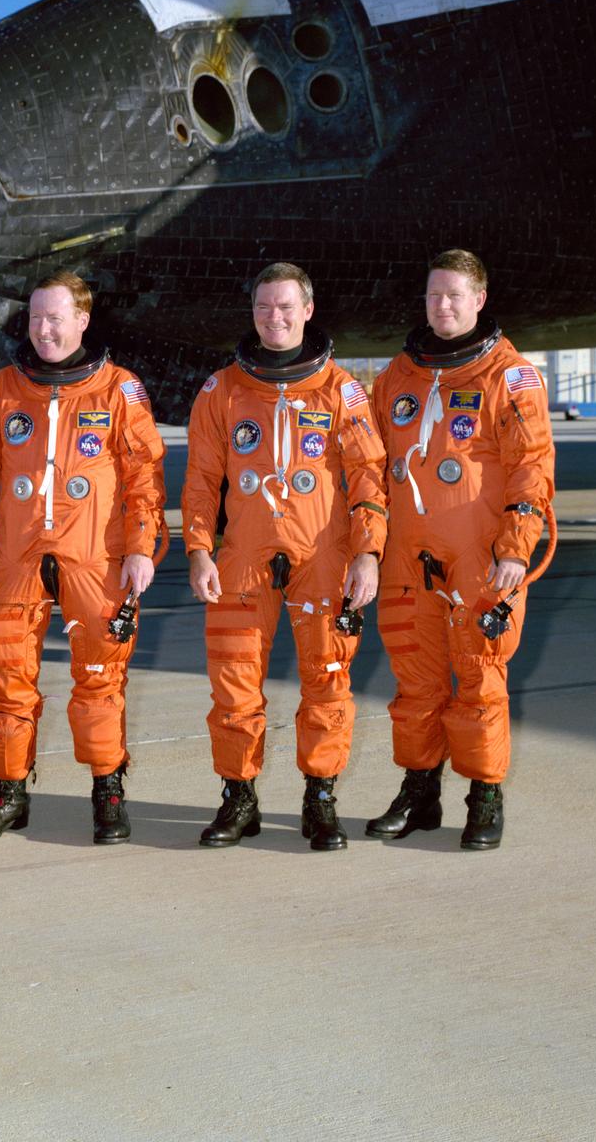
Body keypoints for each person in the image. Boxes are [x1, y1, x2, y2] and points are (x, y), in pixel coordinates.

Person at [0, 270, 166, 843]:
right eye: (35, 318)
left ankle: (108, 790)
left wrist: (141, 547)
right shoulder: (4, 388)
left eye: (55, 318)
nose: (43, 329)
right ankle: (8, 792)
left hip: (95, 557)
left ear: (82, 320)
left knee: (100, 677)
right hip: (14, 558)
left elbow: (144, 477)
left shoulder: (118, 388)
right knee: (6, 678)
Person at [184, 262, 387, 850]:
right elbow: (201, 480)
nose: (274, 317)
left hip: (322, 554)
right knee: (233, 683)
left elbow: (369, 477)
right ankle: (238, 798)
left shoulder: (341, 389)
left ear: (308, 310)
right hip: (242, 556)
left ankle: (319, 799)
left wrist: (368, 553)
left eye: (285, 306)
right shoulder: (222, 390)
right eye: (263, 307)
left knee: (328, 679)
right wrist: (198, 550)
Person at [367, 249, 554, 849]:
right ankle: (420, 793)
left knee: (479, 680)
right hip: (407, 560)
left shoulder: (510, 376)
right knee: (415, 686)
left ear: (480, 299)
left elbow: (531, 469)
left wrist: (515, 550)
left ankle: (484, 796)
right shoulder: (398, 377)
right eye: (433, 295)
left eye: (453, 295)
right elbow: (368, 468)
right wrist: (365, 547)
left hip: (481, 560)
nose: (441, 306)